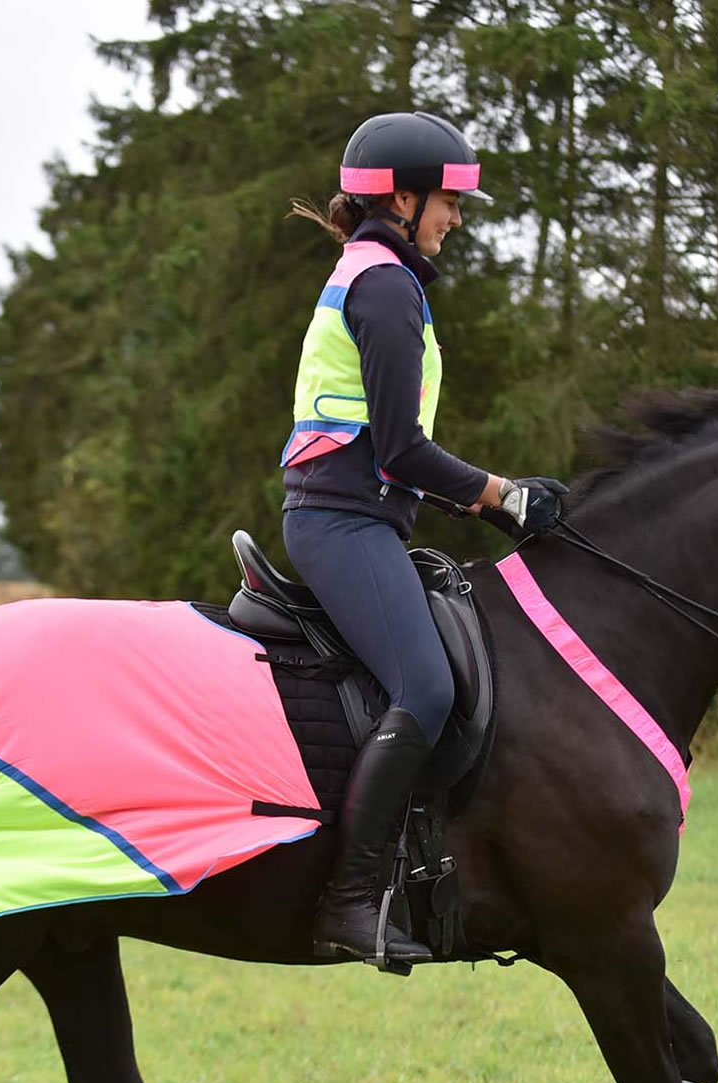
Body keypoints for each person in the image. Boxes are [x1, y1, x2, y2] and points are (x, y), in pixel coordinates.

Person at [282, 110, 565, 967]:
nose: (456, 219)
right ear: (403, 198)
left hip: (354, 515)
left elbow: (394, 454)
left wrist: (489, 501)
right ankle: (352, 899)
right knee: (428, 689)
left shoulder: (376, 274)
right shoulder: (386, 286)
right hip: (341, 521)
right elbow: (402, 452)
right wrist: (504, 497)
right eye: (448, 202)